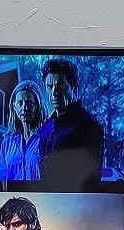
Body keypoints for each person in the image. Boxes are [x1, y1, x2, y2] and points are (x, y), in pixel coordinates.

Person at [38, 59, 104, 187]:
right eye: (49, 87)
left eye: (61, 86)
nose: (54, 92)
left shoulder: (88, 126)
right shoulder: (46, 126)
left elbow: (91, 179)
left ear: (73, 87)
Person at [0, 80, 47, 183]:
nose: (24, 108)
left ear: (38, 106)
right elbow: (1, 178)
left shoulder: (47, 138)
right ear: (14, 106)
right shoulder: (7, 142)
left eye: (30, 103)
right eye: (20, 103)